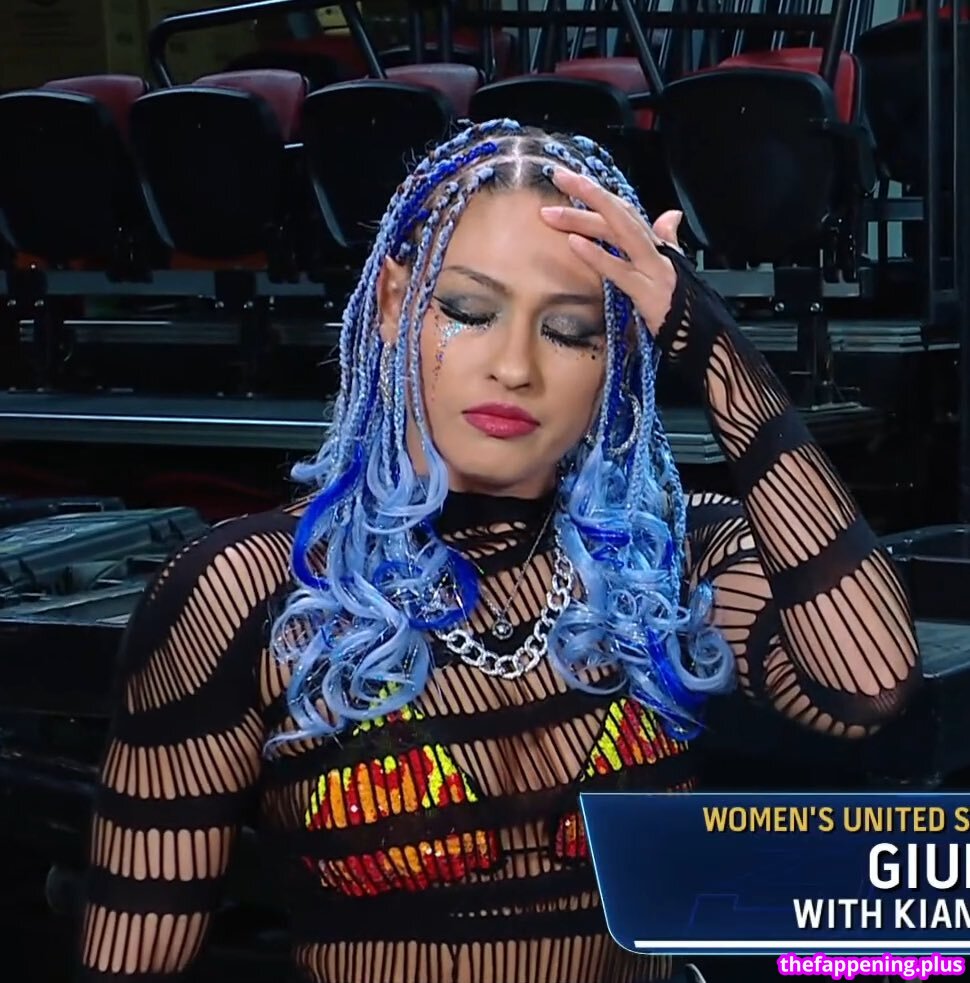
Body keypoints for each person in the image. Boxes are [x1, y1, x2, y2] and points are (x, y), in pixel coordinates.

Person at [77, 120, 920, 983]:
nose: (515, 366)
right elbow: (132, 957)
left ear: (621, 351)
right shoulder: (250, 590)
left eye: (571, 329)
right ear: (396, 303)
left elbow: (868, 687)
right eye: (470, 311)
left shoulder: (668, 556)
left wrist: (707, 339)